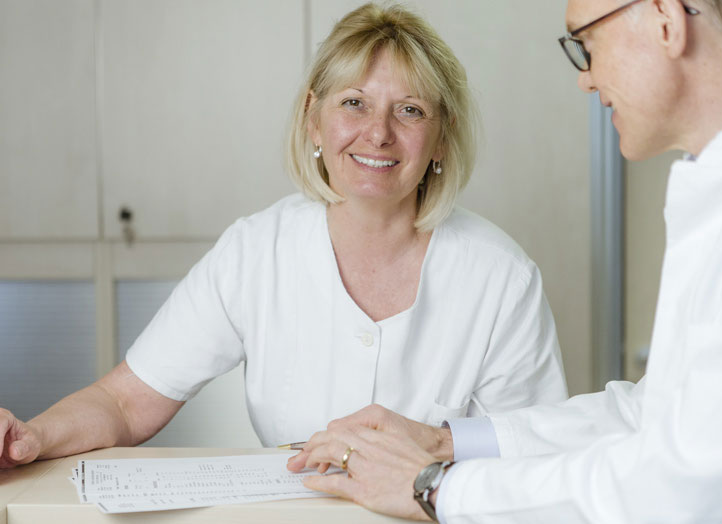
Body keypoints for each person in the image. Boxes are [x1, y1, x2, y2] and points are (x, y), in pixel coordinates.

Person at [0, 3, 568, 469]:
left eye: (411, 111)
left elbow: (533, 449)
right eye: (353, 103)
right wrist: (33, 436)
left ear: (441, 138)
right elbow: (125, 402)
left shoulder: (500, 276)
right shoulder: (256, 251)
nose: (378, 133)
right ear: (313, 119)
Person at [287, 0, 722, 522]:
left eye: (587, 43)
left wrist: (432, 486)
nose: (586, 79)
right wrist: (446, 443)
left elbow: (677, 489)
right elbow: (651, 412)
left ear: (666, 22)